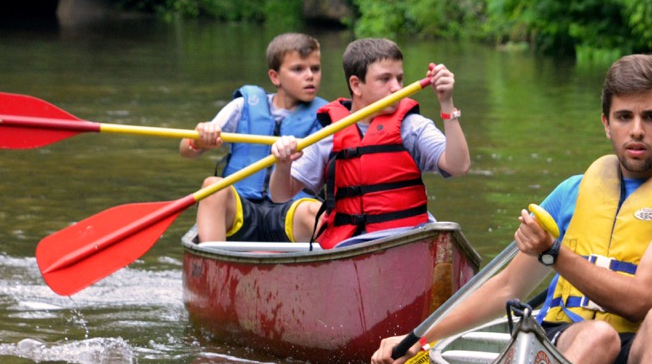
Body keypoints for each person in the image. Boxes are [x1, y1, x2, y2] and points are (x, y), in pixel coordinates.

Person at [372, 54, 652, 364]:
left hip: (643, 353)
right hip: (569, 340)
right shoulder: (574, 191)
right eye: (624, 117)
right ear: (605, 123)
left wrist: (554, 253)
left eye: (651, 117)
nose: (636, 131)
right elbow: (507, 287)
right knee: (599, 336)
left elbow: (639, 300)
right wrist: (420, 336)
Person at [268, 38, 470, 249]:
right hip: (352, 246)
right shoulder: (330, 136)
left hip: (411, 238)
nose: (396, 87)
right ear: (356, 85)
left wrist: (447, 103)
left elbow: (459, 166)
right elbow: (280, 195)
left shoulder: (412, 127)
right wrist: (283, 164)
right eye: (385, 79)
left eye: (399, 79)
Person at [179, 32, 328, 244]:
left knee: (320, 212)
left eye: (315, 68)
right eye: (298, 69)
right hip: (241, 208)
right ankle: (215, 267)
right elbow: (185, 150)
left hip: (292, 213)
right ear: (275, 76)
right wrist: (199, 140)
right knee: (212, 186)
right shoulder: (244, 106)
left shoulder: (328, 117)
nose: (310, 75)